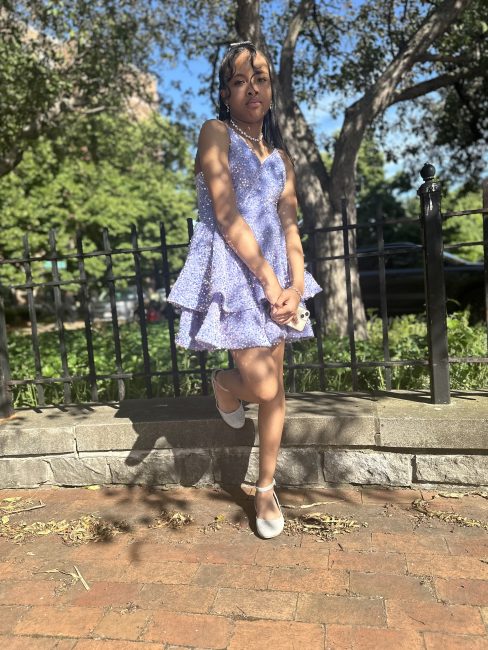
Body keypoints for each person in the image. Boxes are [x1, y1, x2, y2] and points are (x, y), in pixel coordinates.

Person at [168, 41, 322, 539]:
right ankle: (222, 383)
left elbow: (290, 225)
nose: (252, 88)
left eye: (260, 78)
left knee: (277, 387)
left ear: (271, 90)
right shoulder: (214, 132)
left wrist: (295, 285)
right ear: (225, 93)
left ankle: (265, 487)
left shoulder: (282, 158)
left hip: (278, 278)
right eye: (239, 81)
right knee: (261, 386)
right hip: (236, 275)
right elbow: (225, 212)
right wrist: (272, 283)